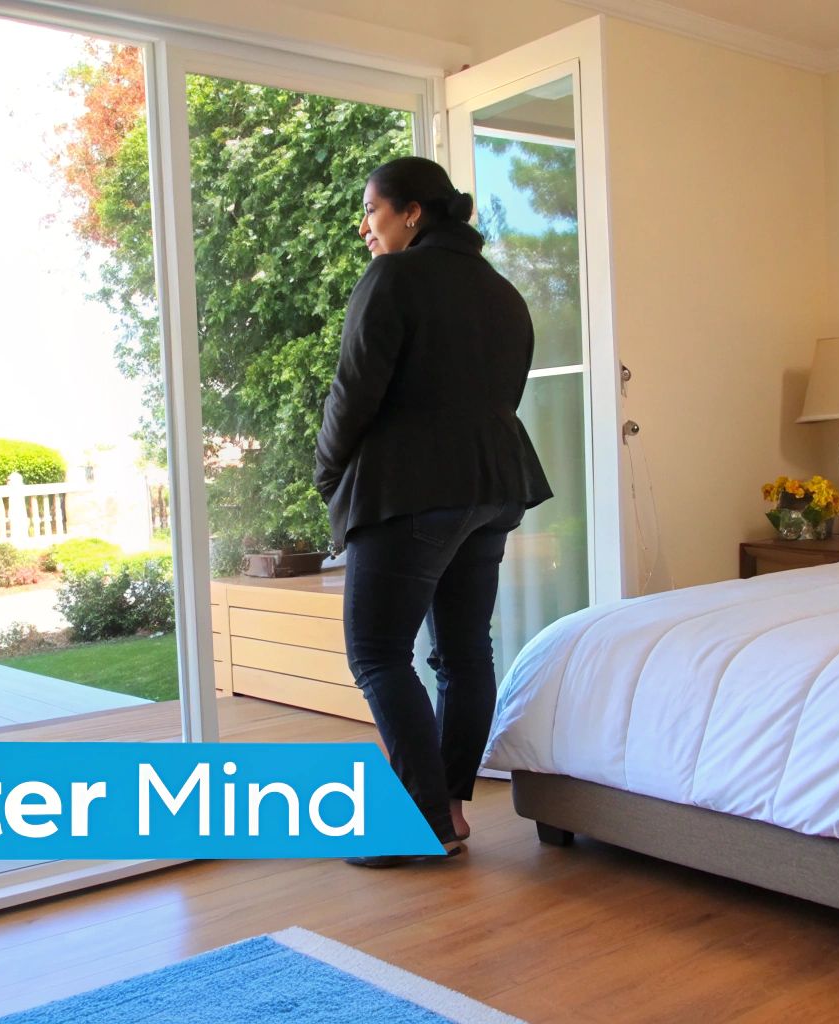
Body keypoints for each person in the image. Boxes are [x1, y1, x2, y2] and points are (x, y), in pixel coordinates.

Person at [314, 156, 553, 866]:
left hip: (411, 490)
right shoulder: (502, 292)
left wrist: (329, 471)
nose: (365, 228)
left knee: (379, 654)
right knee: (462, 652)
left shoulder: (393, 277)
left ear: (412, 212)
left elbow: (353, 391)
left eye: (373, 211)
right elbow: (499, 396)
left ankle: (419, 823)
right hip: (492, 485)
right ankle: (447, 807)